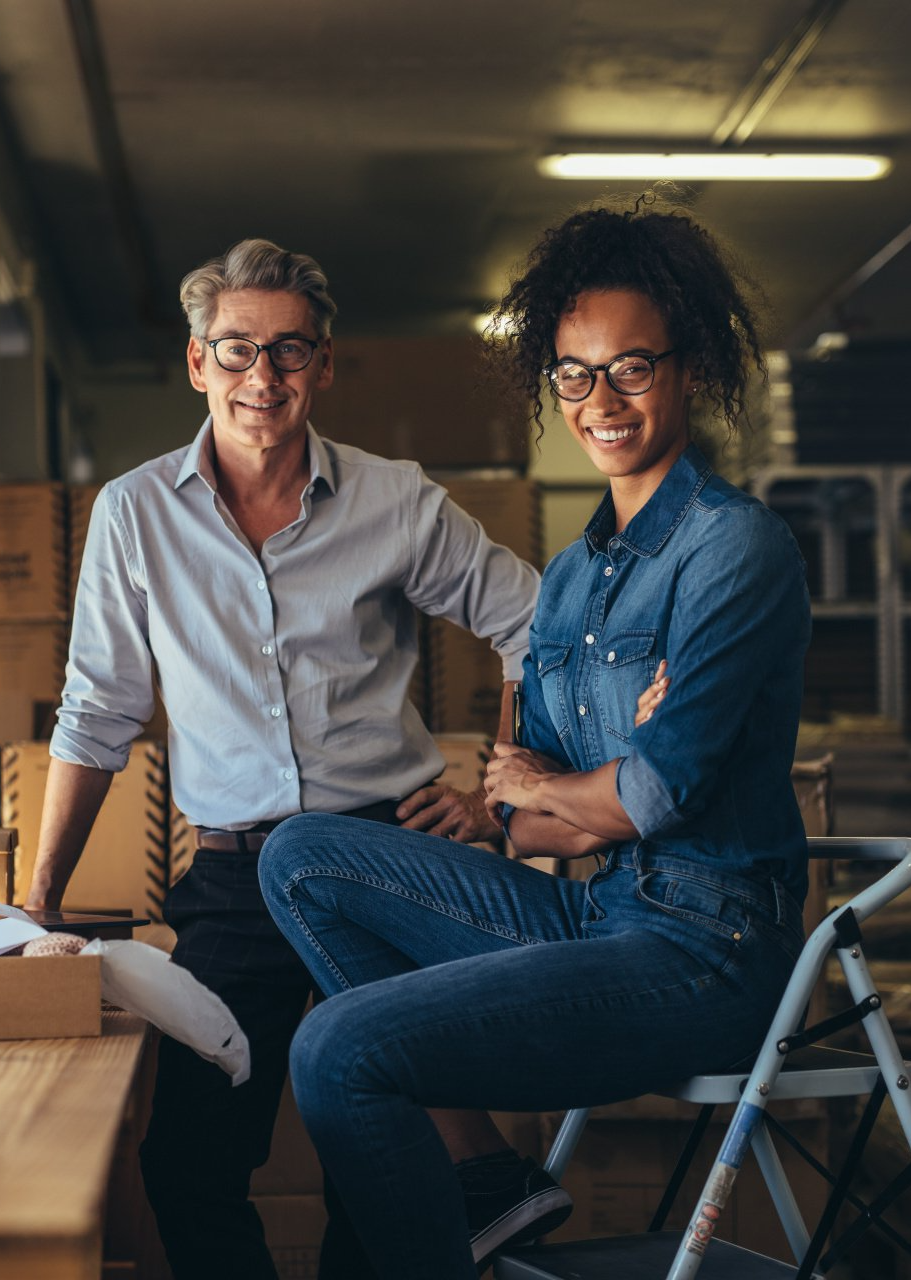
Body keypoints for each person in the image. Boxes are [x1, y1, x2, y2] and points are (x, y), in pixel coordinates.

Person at [257, 197, 813, 1278]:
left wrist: (570, 787)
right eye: (571, 372)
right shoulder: (567, 577)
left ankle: (455, 1226)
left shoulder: (732, 550)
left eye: (630, 368)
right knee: (300, 855)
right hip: (596, 911)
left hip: (704, 949)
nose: (598, 400)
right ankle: (486, 1183)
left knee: (334, 1046)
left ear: (688, 365)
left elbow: (654, 799)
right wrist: (570, 790)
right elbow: (525, 827)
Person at [25, 237, 541, 1279]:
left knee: (377, 1160)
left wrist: (500, 790)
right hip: (233, 872)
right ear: (196, 361)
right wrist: (37, 897)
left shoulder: (395, 501)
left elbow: (534, 621)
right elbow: (96, 711)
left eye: (290, 351)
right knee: (186, 1158)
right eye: (237, 349)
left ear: (325, 364)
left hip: (382, 858)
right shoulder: (133, 514)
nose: (262, 377)